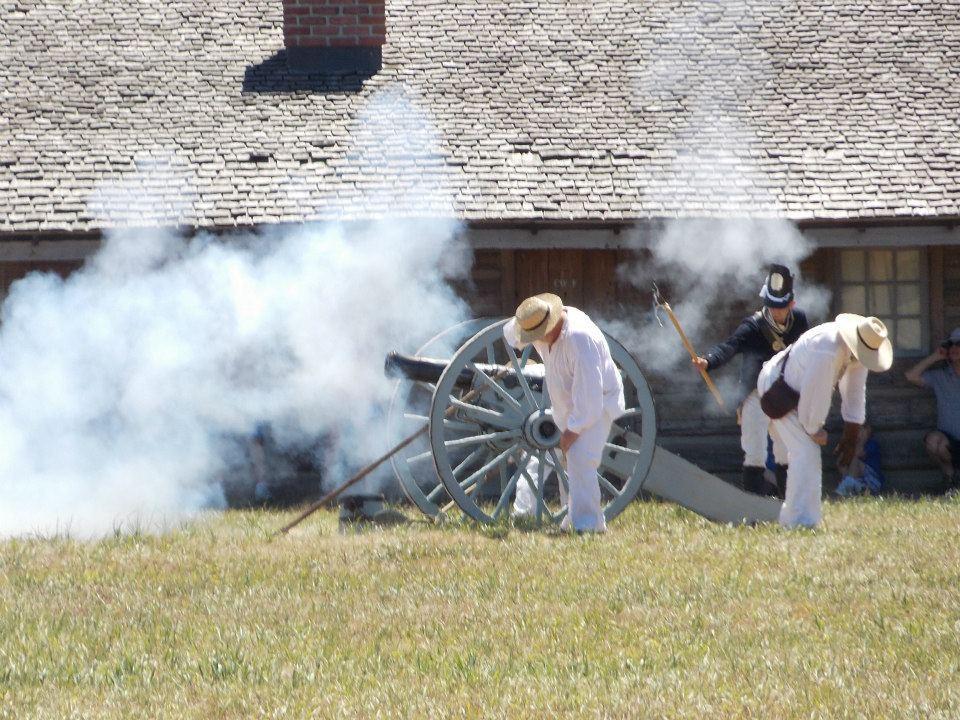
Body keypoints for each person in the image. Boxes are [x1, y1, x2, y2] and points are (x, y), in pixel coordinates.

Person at [504, 293, 625, 532]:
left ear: (552, 323)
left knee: (580, 459)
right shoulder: (541, 325)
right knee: (566, 462)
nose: (535, 341)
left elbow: (590, 394)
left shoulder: (580, 339)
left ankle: (588, 525)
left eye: (537, 335)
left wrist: (573, 430)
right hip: (565, 404)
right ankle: (572, 517)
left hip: (598, 403)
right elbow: (511, 333)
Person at [757, 314, 893, 528]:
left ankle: (792, 515)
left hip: (797, 391)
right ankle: (799, 522)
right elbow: (816, 392)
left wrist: (852, 434)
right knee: (806, 450)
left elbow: (855, 393)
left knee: (793, 453)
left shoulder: (858, 352)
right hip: (777, 387)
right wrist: (813, 429)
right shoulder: (827, 349)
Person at [693, 264, 810, 498]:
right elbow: (730, 346)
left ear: (791, 305)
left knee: (785, 450)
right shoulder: (753, 325)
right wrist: (708, 361)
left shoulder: (799, 321)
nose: (776, 311)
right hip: (755, 394)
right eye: (772, 306)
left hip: (786, 394)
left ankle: (788, 503)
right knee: (754, 451)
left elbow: (807, 352)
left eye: (780, 307)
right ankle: (753, 504)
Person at [905, 327, 960, 488]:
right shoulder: (940, 376)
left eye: (959, 344)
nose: (954, 348)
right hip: (948, 441)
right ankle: (950, 478)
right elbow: (911, 376)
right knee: (933, 442)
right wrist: (935, 357)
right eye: (951, 345)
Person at [834, 423, 884, 497]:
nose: (856, 434)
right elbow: (840, 457)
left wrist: (861, 440)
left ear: (868, 430)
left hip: (872, 482)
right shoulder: (853, 445)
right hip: (859, 482)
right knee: (842, 461)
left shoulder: (871, 444)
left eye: (859, 430)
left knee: (855, 461)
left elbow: (858, 453)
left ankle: (847, 485)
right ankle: (847, 484)